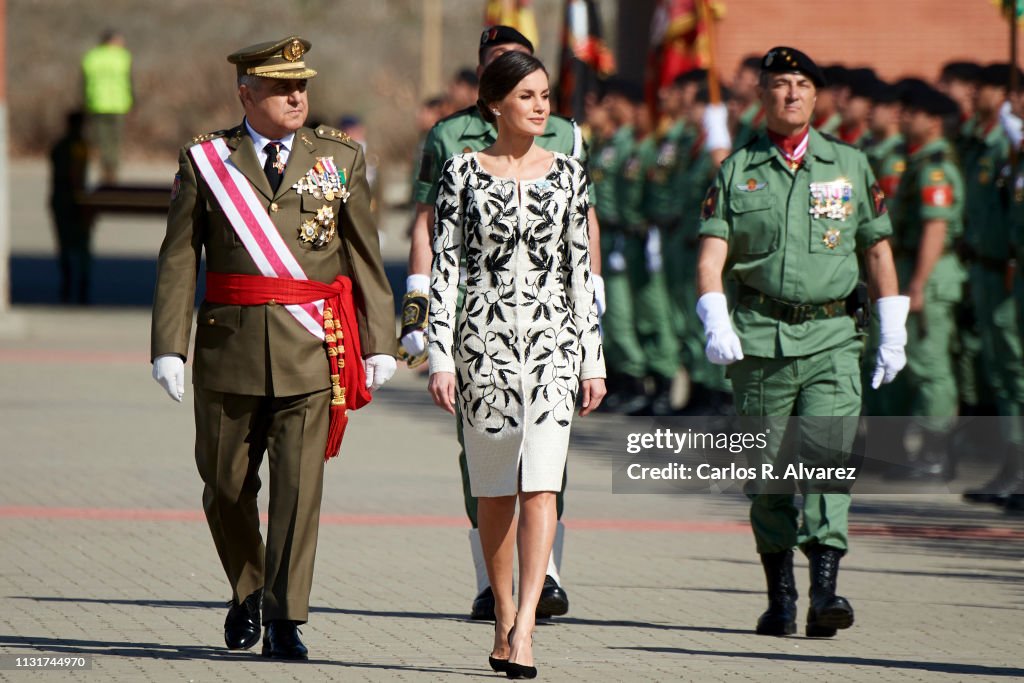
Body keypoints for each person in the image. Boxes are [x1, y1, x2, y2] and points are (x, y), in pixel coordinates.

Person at [149, 36, 397, 660]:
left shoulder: (339, 158)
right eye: (281, 87)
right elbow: (181, 256)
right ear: (246, 93)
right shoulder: (207, 159)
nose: (296, 96)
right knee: (225, 484)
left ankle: (287, 618)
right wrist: (168, 346)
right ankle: (248, 587)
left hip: (311, 351)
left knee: (297, 489)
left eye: (302, 86)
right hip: (227, 349)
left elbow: (365, 256)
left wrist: (381, 341)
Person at [696, 46, 907, 638]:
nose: (791, 94)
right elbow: (712, 256)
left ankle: (826, 592)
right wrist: (716, 318)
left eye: (801, 84)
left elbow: (877, 248)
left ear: (818, 97)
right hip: (760, 343)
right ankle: (781, 595)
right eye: (780, 84)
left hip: (834, 340)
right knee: (767, 477)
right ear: (761, 95)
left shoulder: (849, 165)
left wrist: (894, 328)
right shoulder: (737, 170)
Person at [402, 25, 602, 622]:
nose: (542, 106)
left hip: (552, 352)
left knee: (543, 482)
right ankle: (499, 597)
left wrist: (592, 357)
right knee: (490, 486)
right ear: (494, 97)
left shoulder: (568, 167)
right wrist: (432, 348)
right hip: (481, 348)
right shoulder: (459, 165)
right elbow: (441, 261)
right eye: (527, 94)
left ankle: (527, 622)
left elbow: (579, 272)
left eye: (546, 94)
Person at [883, 84, 966, 480]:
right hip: (914, 269)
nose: (904, 118)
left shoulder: (935, 166)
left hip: (929, 276)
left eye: (912, 113)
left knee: (931, 365)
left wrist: (917, 283)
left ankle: (937, 453)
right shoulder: (917, 161)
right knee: (917, 363)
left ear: (933, 121)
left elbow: (935, 227)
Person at [49, 111, 93, 304]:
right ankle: (80, 284)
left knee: (65, 244)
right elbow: (76, 175)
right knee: (81, 244)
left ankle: (69, 283)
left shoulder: (60, 146)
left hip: (60, 199)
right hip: (73, 199)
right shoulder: (78, 146)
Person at [80, 30, 133, 184]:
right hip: (118, 104)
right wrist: (133, 100)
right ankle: (112, 170)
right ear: (112, 41)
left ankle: (105, 169)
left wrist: (84, 101)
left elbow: (83, 83)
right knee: (115, 140)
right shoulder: (123, 57)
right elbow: (129, 81)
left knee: (102, 140)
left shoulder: (91, 57)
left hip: (97, 103)